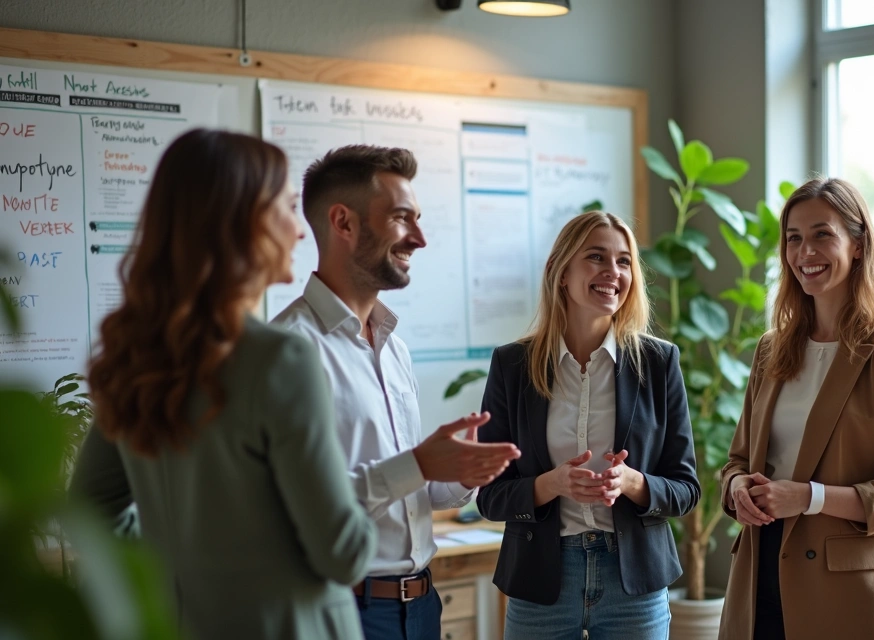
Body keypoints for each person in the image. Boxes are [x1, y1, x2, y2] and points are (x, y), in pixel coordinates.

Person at [72, 128, 376, 639]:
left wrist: (173, 565)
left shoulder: (132, 358)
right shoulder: (281, 357)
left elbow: (88, 508)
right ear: (246, 221)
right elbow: (343, 553)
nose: (300, 231)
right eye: (285, 206)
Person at [272, 144, 521, 640]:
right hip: (342, 611)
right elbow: (296, 511)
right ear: (343, 223)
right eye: (402, 218)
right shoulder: (287, 351)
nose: (420, 239)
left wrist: (463, 470)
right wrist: (420, 464)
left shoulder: (395, 349)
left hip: (422, 607)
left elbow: (411, 489)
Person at [718, 177, 874, 640]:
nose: (805, 252)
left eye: (822, 234)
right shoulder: (770, 350)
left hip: (849, 596)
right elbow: (737, 461)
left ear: (857, 246)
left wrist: (808, 497)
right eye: (793, 238)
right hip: (761, 578)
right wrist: (737, 486)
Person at [475, 210, 700, 639]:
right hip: (541, 585)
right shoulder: (513, 365)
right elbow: (488, 496)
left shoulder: (658, 362)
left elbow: (687, 489)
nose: (612, 272)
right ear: (561, 272)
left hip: (633, 588)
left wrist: (633, 483)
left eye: (624, 261)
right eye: (596, 257)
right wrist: (551, 484)